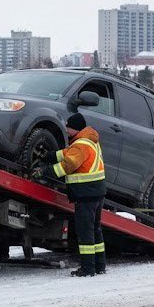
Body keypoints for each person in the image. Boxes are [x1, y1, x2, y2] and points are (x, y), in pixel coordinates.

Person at [30, 113, 107, 277]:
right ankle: (100, 265)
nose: (65, 129)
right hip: (96, 192)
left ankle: (87, 269)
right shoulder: (88, 141)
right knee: (95, 229)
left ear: (74, 128)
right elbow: (67, 153)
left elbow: (67, 165)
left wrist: (43, 171)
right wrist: (49, 155)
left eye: (67, 127)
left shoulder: (80, 145)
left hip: (86, 194)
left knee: (85, 231)